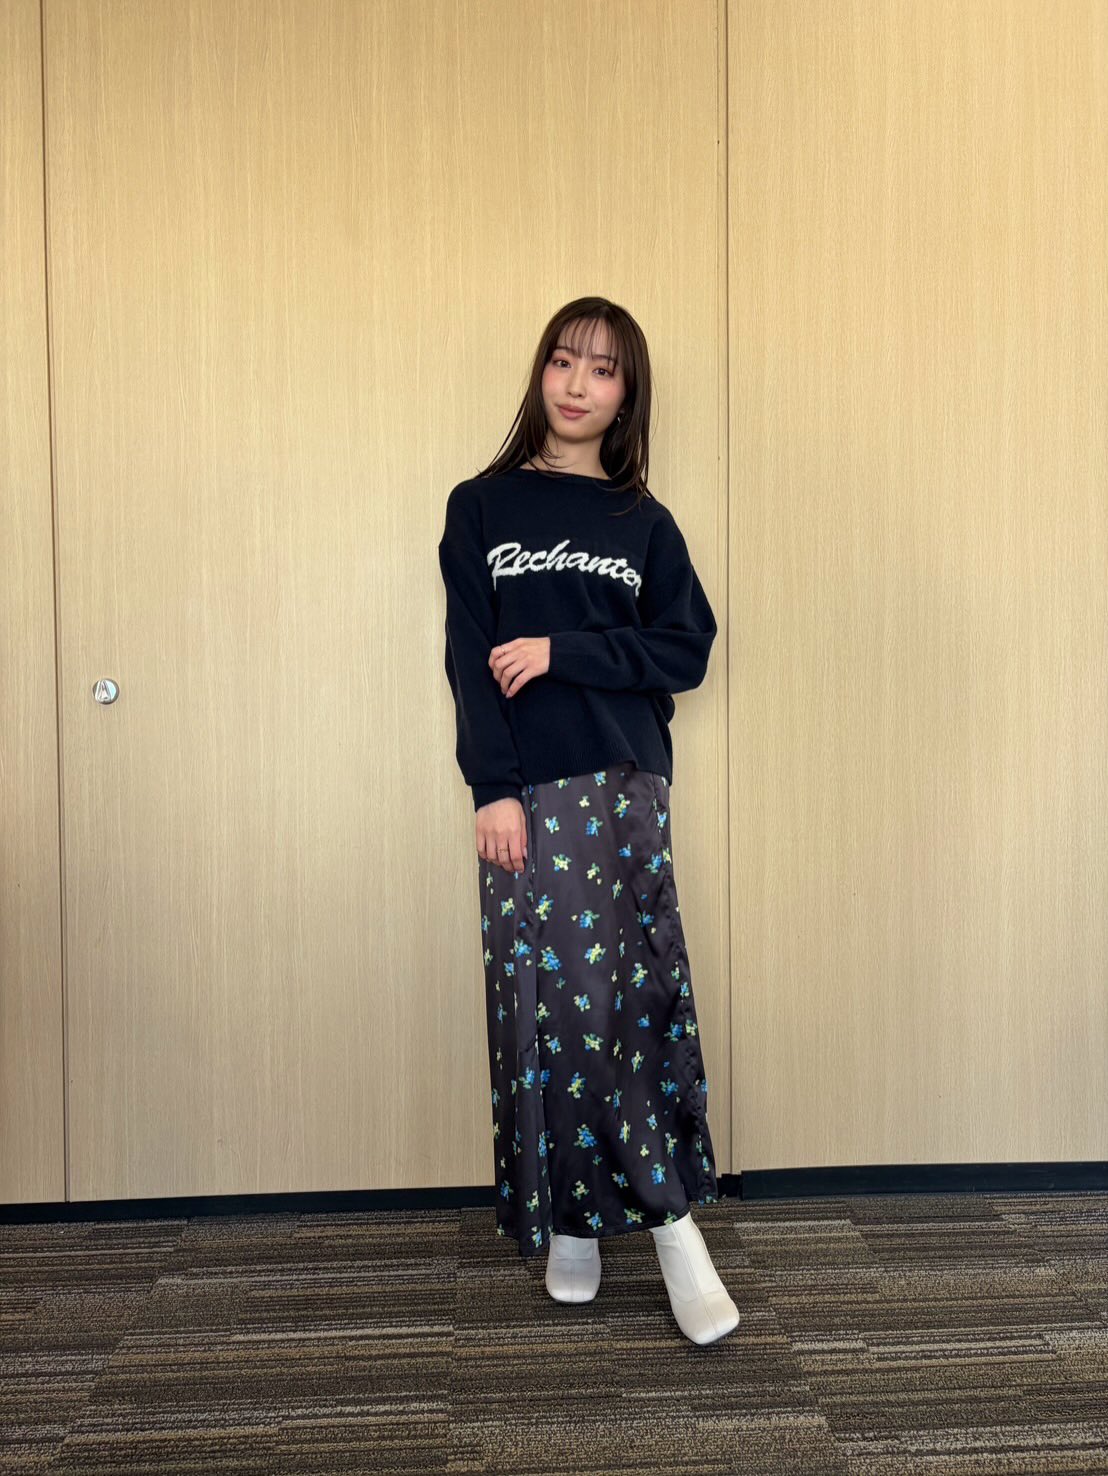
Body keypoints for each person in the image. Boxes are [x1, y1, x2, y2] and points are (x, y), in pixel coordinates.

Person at [437, 296, 739, 1345]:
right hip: (529, 792)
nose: (577, 384)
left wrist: (565, 652)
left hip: (624, 779)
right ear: (541, 373)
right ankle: (576, 1218)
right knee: (548, 1010)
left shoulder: (641, 522)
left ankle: (669, 1222)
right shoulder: (482, 506)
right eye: (564, 361)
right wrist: (492, 787)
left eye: (603, 370)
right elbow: (467, 657)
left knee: (629, 1000)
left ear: (626, 394)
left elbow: (686, 650)